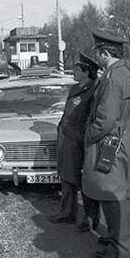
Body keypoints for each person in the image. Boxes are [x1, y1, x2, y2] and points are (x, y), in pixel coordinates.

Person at [82, 30, 130, 258]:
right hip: (115, 142)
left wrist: (88, 136)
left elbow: (105, 120)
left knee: (116, 199)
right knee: (109, 196)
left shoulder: (115, 77)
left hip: (111, 145)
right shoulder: (116, 72)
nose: (96, 57)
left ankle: (121, 249)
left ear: (104, 52)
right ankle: (113, 243)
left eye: (98, 52)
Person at [49, 52, 99, 231]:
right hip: (67, 139)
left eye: (77, 69)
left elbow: (93, 118)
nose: (73, 72)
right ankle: (67, 213)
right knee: (67, 177)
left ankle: (90, 218)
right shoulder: (75, 88)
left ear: (87, 71)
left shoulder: (95, 90)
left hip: (80, 140)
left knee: (86, 181)